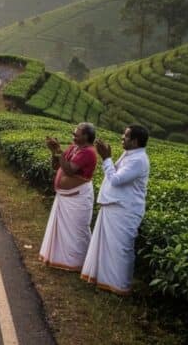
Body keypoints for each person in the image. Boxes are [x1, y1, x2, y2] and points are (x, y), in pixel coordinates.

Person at [81, 125, 151, 295]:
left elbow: (116, 180)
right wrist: (107, 159)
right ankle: (105, 281)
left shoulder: (138, 160)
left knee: (121, 249)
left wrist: (106, 158)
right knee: (108, 247)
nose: (122, 137)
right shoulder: (130, 154)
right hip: (116, 207)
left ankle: (120, 286)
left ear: (134, 141)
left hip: (125, 210)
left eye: (125, 136)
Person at [39, 123, 98, 271]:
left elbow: (70, 170)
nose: (73, 135)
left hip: (78, 198)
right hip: (65, 198)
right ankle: (62, 260)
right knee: (65, 231)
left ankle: (81, 262)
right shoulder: (73, 147)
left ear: (86, 136)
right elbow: (57, 166)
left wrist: (59, 152)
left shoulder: (89, 152)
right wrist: (55, 153)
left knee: (77, 230)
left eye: (76, 134)